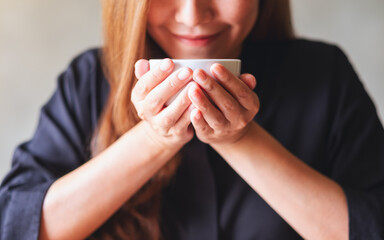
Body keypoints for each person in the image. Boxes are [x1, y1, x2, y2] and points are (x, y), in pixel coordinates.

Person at [1, 0, 383, 239]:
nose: (193, 15)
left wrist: (238, 139)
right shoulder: (89, 81)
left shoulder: (323, 75)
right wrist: (154, 139)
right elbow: (15, 226)